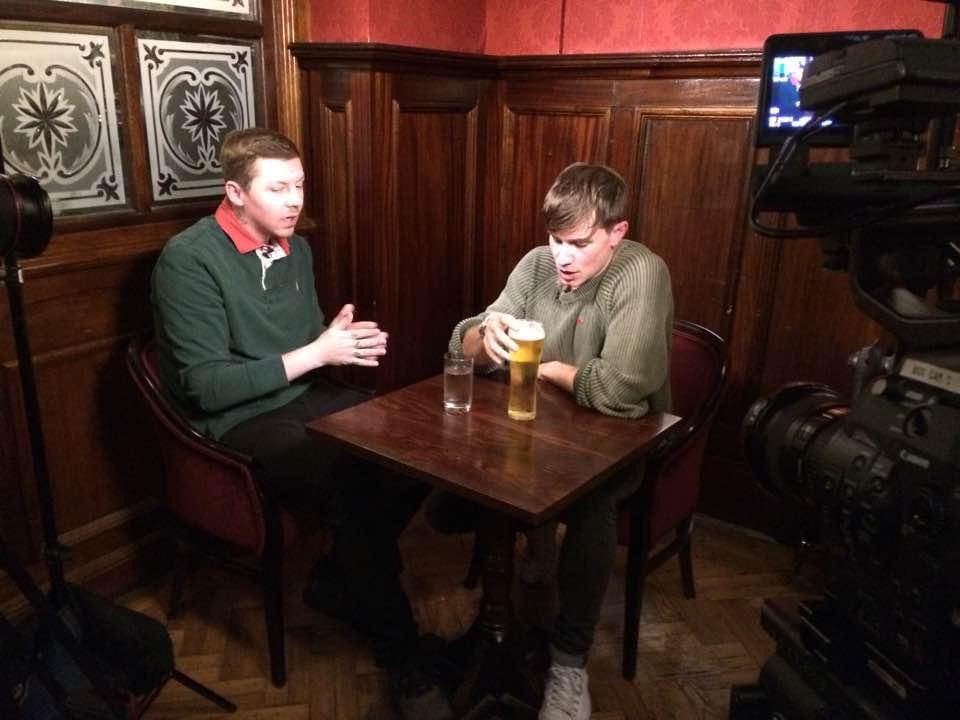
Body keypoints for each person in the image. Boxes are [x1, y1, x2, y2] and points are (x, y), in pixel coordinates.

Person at [150, 128, 452, 720]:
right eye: (278, 188)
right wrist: (317, 353)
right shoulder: (188, 260)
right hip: (235, 422)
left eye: (300, 185)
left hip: (301, 395)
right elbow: (205, 387)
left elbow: (298, 346)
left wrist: (330, 338)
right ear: (235, 192)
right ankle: (401, 648)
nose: (295, 201)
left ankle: (339, 579)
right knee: (349, 475)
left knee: (416, 446)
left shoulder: (297, 248)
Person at [445, 162, 673, 720]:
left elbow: (621, 392)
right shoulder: (537, 264)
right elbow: (460, 342)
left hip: (624, 438)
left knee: (591, 502)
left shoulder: (641, 271)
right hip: (544, 428)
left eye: (579, 243)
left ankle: (569, 664)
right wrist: (484, 337)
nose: (563, 256)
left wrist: (547, 370)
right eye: (555, 239)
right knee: (463, 475)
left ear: (617, 232)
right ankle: (499, 617)